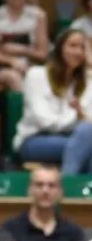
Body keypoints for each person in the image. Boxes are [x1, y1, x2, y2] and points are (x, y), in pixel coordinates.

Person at [13, 29, 92, 173]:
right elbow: (44, 120)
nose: (78, 52)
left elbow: (88, 122)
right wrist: (77, 118)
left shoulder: (87, 81)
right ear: (60, 48)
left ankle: (74, 188)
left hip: (76, 137)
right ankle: (69, 187)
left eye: (82, 47)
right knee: (85, 143)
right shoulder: (36, 75)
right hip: (35, 139)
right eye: (73, 46)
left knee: (86, 138)